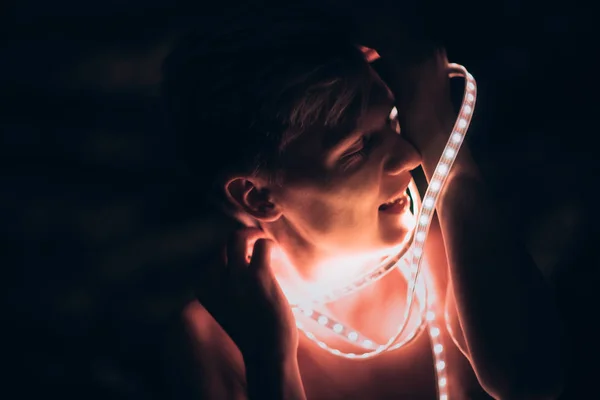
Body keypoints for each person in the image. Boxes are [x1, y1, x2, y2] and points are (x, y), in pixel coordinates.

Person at [159, 5, 565, 400]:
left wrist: (447, 152)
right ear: (258, 195)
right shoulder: (215, 338)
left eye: (391, 120)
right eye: (358, 148)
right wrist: (270, 362)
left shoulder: (449, 253)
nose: (409, 156)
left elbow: (533, 383)